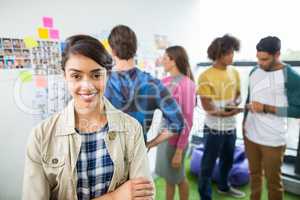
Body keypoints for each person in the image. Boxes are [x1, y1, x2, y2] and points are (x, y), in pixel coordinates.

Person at [22, 35, 154, 200]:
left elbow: (144, 196)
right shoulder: (41, 136)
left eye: (96, 75)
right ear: (65, 76)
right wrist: (114, 197)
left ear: (107, 75)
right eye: (76, 76)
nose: (87, 86)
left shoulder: (132, 129)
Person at [104, 25, 184, 148]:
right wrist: (149, 145)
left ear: (112, 50)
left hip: (107, 153)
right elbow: (177, 123)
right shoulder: (153, 84)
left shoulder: (101, 82)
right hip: (138, 152)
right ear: (135, 49)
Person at [243, 36, 300, 200]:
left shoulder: (292, 76)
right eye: (258, 58)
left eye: (265, 59)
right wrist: (244, 124)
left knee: (274, 183)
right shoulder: (254, 71)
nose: (260, 63)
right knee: (254, 176)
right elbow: (250, 99)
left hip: (273, 140)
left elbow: (298, 110)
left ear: (277, 54)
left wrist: (266, 108)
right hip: (251, 136)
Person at [197, 34, 245, 200]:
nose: (233, 56)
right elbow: (206, 106)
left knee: (228, 160)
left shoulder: (235, 72)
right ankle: (205, 196)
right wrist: (225, 112)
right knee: (207, 165)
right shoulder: (205, 75)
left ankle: (224, 187)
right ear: (219, 53)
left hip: (231, 127)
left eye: (233, 52)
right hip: (213, 129)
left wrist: (235, 103)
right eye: (230, 53)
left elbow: (238, 94)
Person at [155, 46, 196, 200]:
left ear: (174, 60)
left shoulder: (187, 85)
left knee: (179, 178)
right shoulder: (164, 82)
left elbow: (188, 120)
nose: (162, 61)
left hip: (176, 141)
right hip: (163, 137)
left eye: (165, 58)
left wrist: (179, 151)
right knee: (169, 178)